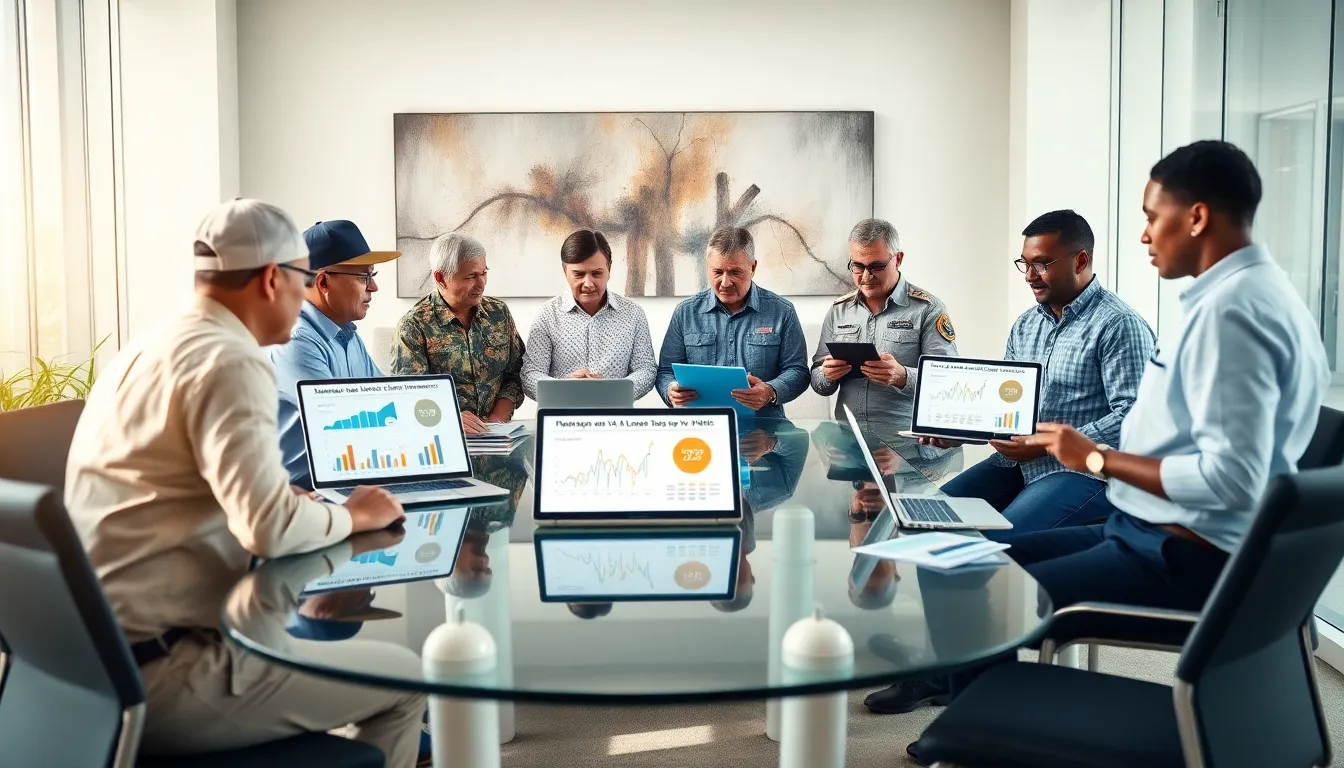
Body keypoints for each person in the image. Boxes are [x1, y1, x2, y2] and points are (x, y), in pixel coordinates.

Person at [899, 141, 1330, 762]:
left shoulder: (1235, 315)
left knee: (975, 586)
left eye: (1153, 216)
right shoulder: (1246, 297)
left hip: (1176, 554)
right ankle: (979, 717)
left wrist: (1092, 458)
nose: (1144, 235)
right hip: (1147, 532)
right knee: (959, 565)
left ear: (1198, 217)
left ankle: (979, 732)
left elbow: (1232, 479)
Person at [64, 199, 425, 766]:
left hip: (90, 665)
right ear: (271, 278)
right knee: (408, 678)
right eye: (303, 279)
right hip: (166, 673)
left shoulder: (146, 346)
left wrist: (286, 502)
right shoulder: (231, 360)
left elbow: (213, 496)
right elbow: (269, 530)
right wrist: (356, 515)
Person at [923, 211, 1155, 534]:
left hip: (1085, 473)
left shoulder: (1119, 326)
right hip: (1019, 465)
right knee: (929, 517)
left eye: (1042, 264)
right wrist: (960, 433)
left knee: (1002, 538)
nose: (1029, 276)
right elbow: (1003, 406)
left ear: (1080, 260)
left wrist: (1046, 444)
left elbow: (1134, 419)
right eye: (1024, 264)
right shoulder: (1025, 325)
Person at [270, 219, 401, 489]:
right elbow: (344, 426)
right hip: (303, 492)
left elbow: (387, 397)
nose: (373, 288)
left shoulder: (348, 334)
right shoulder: (296, 341)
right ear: (323, 282)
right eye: (363, 277)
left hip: (346, 477)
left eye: (372, 277)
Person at [811, 219, 959, 428]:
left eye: (876, 267)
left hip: (906, 443)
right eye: (857, 266)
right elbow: (817, 382)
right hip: (847, 440)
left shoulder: (927, 309)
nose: (865, 277)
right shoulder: (839, 311)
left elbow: (948, 380)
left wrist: (903, 376)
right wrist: (826, 375)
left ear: (898, 259)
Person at [656, 226, 809, 418]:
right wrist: (671, 390)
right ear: (707, 268)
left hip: (764, 431)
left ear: (752, 268)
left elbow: (799, 371)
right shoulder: (685, 313)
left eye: (735, 272)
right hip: (700, 431)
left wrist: (770, 391)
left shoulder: (782, 312)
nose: (725, 282)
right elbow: (665, 371)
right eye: (717, 272)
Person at [391, 232, 525, 433]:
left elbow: (516, 374)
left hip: (498, 441)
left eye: (484, 273)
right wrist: (449, 418)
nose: (481, 284)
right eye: (471, 276)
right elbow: (408, 396)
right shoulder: (414, 326)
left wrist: (497, 419)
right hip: (443, 442)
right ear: (441, 278)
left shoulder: (499, 314)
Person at [521, 229, 657, 400]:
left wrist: (613, 390)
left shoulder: (633, 314)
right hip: (559, 419)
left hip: (615, 419)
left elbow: (646, 369)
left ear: (609, 269)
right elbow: (530, 374)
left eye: (596, 274)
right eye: (578, 274)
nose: (588, 284)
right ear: (565, 271)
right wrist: (562, 387)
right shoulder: (547, 315)